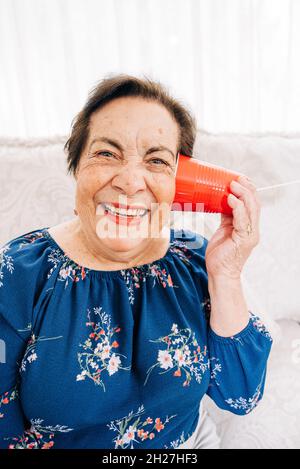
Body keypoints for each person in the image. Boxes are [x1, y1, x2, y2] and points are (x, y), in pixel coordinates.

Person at [0, 74, 272, 449]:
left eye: (157, 160)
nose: (130, 182)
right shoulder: (20, 272)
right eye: (107, 153)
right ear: (76, 166)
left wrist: (226, 276)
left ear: (179, 181)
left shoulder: (195, 258)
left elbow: (241, 397)